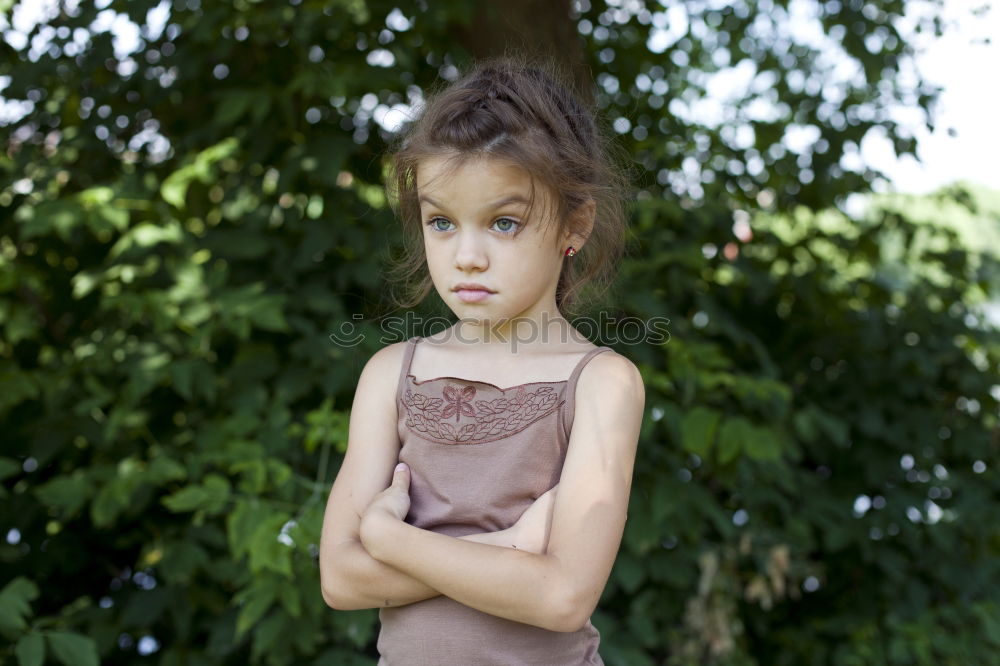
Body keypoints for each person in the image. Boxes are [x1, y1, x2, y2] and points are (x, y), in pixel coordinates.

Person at [319, 52, 645, 665]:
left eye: (503, 223)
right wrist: (508, 548)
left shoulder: (600, 384)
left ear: (576, 224)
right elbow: (340, 579)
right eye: (442, 222)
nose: (466, 256)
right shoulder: (392, 374)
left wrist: (387, 537)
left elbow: (561, 598)